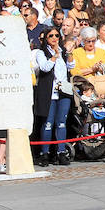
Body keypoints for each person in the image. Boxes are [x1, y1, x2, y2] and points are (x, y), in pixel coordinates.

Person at [32, 28, 74, 166]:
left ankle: (61, 152)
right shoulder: (41, 53)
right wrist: (54, 56)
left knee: (61, 123)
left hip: (63, 91)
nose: (55, 38)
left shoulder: (62, 51)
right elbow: (45, 67)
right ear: (46, 39)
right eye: (51, 36)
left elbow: (70, 66)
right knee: (48, 124)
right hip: (49, 92)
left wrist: (69, 54)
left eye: (57, 35)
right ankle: (45, 153)